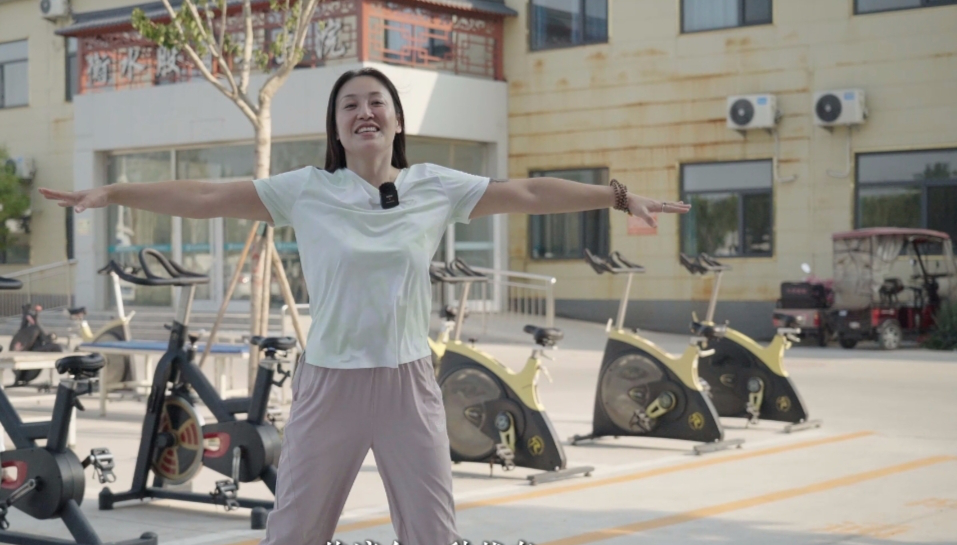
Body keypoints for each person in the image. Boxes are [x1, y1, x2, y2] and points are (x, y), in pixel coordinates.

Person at [39, 67, 690, 545]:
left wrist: (617, 197)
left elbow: (528, 192)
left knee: (431, 532)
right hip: (330, 385)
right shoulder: (306, 190)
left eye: (376, 101)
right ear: (337, 128)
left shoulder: (434, 186)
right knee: (296, 531)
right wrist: (115, 192)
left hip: (408, 384)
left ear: (397, 120)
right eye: (349, 104)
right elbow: (207, 198)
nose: (364, 111)